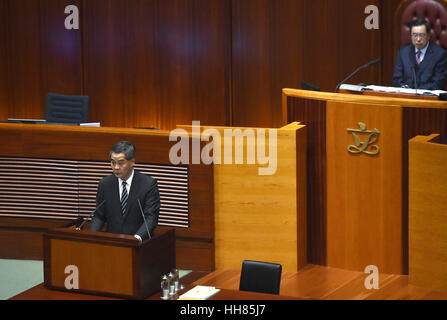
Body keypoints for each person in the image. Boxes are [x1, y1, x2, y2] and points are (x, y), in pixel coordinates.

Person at [89, 141, 160, 243]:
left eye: (121, 163)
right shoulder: (105, 184)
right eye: (113, 162)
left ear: (132, 162)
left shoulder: (148, 184)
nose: (116, 167)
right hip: (112, 244)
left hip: (139, 245)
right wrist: (92, 237)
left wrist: (136, 239)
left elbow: (151, 218)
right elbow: (99, 216)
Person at [392, 19, 447, 90]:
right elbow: (396, 79)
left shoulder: (440, 55)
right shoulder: (403, 53)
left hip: (428, 98)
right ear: (411, 36)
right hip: (406, 97)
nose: (418, 39)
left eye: (422, 35)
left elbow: (438, 83)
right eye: (415, 35)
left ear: (428, 36)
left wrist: (416, 91)